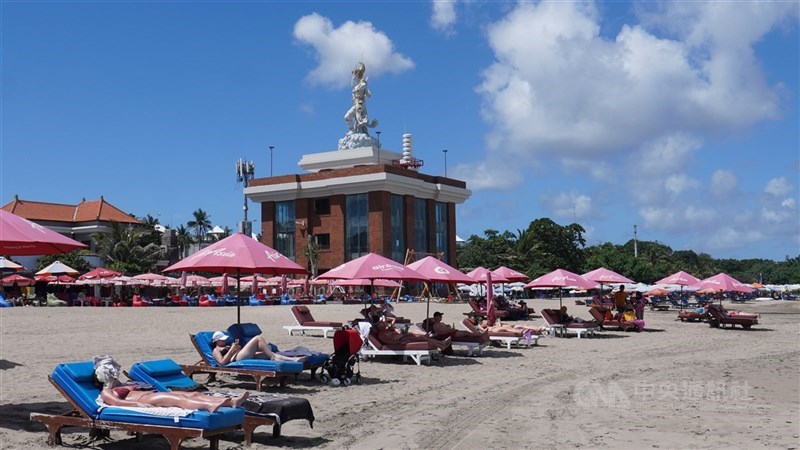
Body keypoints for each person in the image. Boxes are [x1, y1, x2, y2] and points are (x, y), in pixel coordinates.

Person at [100, 383, 248, 413]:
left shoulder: (122, 384)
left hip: (152, 394)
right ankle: (209, 406)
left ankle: (232, 402)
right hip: (144, 400)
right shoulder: (105, 391)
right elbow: (117, 402)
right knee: (180, 400)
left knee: (194, 394)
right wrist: (139, 406)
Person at [212, 331, 307, 365]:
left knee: (268, 352)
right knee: (258, 338)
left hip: (240, 354)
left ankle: (293, 360)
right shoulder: (216, 350)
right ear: (216, 341)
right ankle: (273, 358)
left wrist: (236, 348)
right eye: (222, 340)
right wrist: (231, 350)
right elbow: (222, 362)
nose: (224, 341)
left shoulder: (226, 345)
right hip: (236, 358)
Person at [374, 315, 452, 351]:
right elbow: (390, 342)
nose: (384, 324)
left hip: (402, 337)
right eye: (382, 324)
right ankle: (441, 344)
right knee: (422, 338)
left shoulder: (386, 330)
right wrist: (400, 341)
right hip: (402, 340)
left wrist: (385, 318)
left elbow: (392, 320)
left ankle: (441, 344)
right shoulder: (381, 335)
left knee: (421, 337)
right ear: (379, 326)